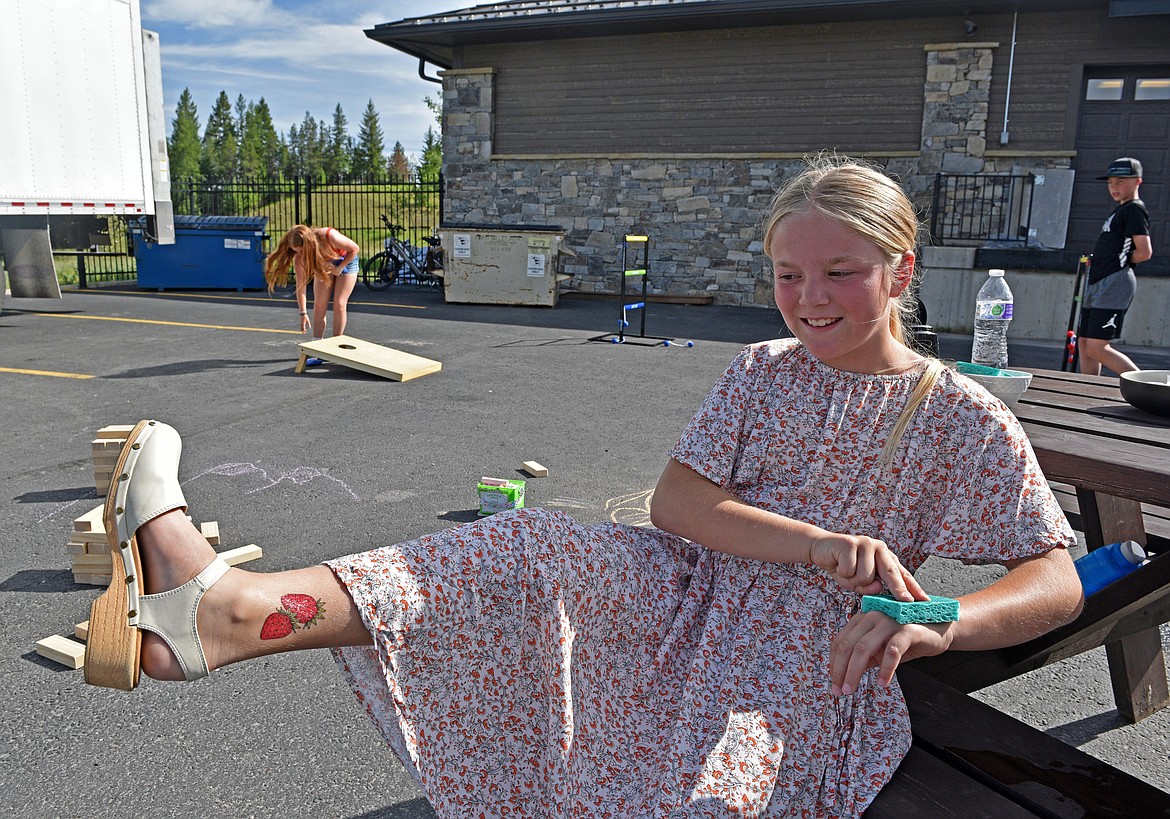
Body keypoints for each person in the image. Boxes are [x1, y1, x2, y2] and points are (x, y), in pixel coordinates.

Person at [84, 156, 1084, 817]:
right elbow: (680, 509)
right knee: (518, 550)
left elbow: (1056, 574)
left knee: (708, 792)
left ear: (900, 270)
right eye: (788, 274)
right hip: (685, 587)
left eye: (841, 273)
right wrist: (816, 540)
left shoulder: (955, 411)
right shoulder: (763, 372)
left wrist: (944, 618)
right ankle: (227, 611)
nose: (809, 300)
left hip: (807, 655)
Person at [1077, 157, 1152, 376]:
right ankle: (1086, 390)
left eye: (1120, 181)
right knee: (1084, 343)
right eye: (1111, 182)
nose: (1114, 187)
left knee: (1097, 347)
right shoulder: (1120, 210)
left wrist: (1119, 263)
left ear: (1137, 182)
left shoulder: (1135, 210)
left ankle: (1147, 387)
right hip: (1098, 280)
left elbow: (1144, 251)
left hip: (1114, 281)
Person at [264, 225, 361, 354]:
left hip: (346, 261)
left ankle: (337, 345)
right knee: (319, 304)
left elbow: (355, 249)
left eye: (302, 251)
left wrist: (340, 268)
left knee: (339, 303)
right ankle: (318, 346)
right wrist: (303, 313)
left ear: (310, 245)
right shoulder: (299, 258)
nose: (300, 255)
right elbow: (300, 287)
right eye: (297, 251)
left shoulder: (328, 236)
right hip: (324, 264)